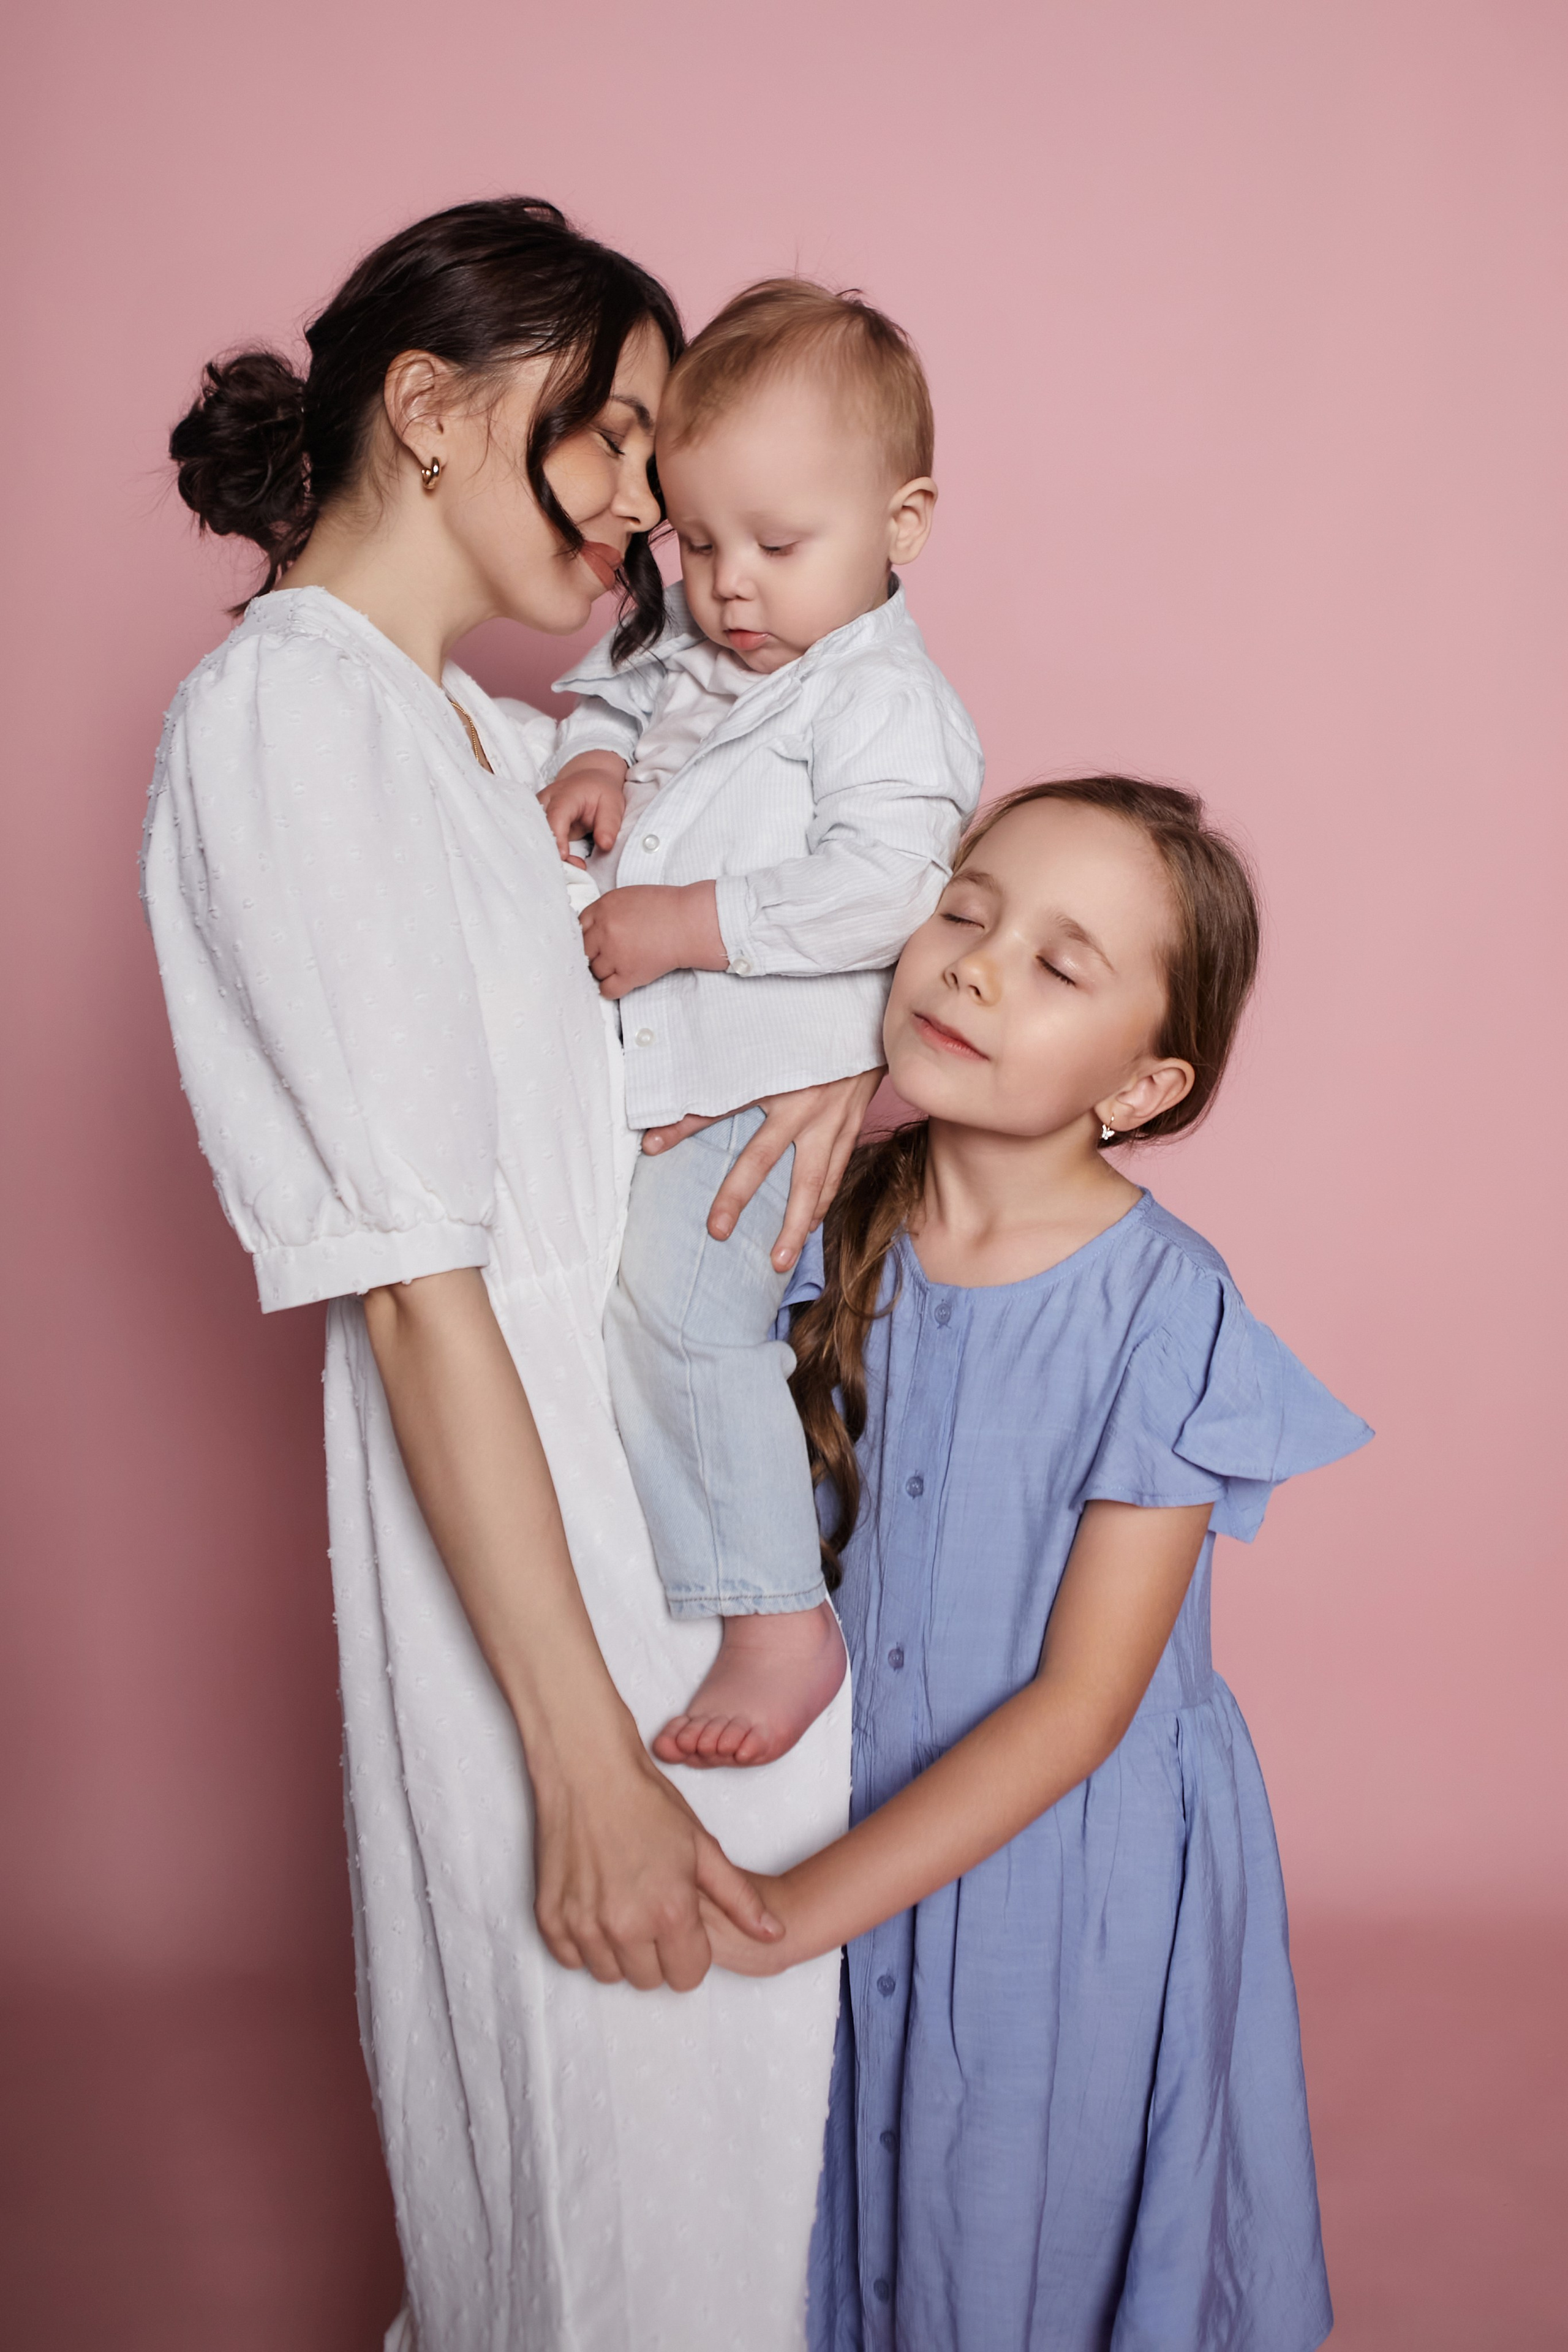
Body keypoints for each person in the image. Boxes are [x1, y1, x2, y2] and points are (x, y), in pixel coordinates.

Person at [143, 198, 865, 2352]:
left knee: (728, 2189)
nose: (650, 498)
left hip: (670, 1506)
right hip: (536, 1554)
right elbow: (413, 1281)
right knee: (599, 2202)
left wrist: (841, 1069)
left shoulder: (475, 731)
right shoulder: (289, 718)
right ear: (431, 407)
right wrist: (584, 1762)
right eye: (614, 431)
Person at [701, 778, 1371, 2350]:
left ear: (1141, 1085)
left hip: (1065, 1883)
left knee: (1012, 2250)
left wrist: (797, 1912)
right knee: (817, 2241)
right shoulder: (818, 1225)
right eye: (963, 913)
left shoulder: (1165, 1309)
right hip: (835, 1806)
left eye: (1059, 966)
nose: (976, 968)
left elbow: (1081, 1709)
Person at [537, 281, 984, 1770]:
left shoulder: (883, 701)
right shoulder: (710, 635)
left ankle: (776, 1615)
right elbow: (622, 683)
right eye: (694, 541)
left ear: (900, 523)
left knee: (684, 1315)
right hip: (668, 1072)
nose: (729, 588)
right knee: (629, 1315)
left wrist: (687, 921)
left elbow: (887, 887)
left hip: (765, 1079)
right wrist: (594, 756)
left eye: (777, 548)